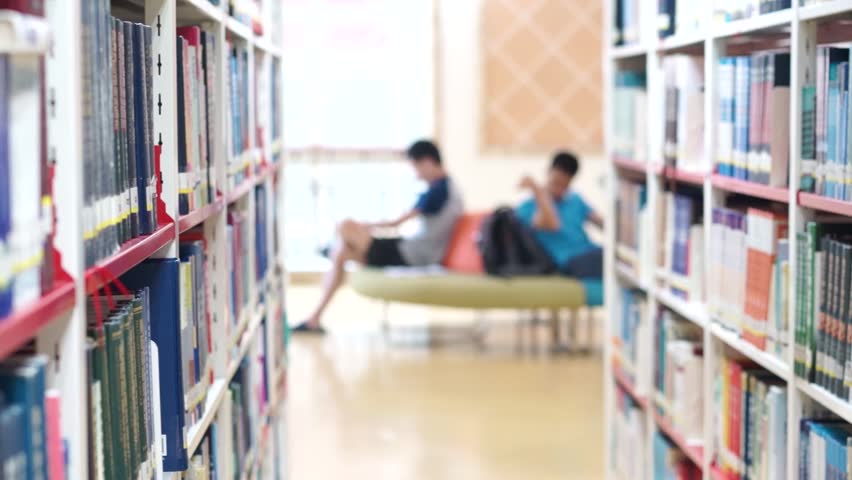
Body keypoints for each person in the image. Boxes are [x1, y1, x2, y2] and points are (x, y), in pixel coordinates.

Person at [295, 139, 464, 333]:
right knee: (340, 253)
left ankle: (328, 250)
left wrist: (364, 227)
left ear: (427, 161)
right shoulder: (446, 188)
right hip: (410, 249)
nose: (416, 175)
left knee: (345, 226)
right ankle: (314, 319)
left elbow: (397, 223)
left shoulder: (440, 190)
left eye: (416, 167)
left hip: (413, 255)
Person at [516, 151, 604, 278]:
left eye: (564, 185)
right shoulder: (528, 207)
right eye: (555, 183)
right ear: (547, 172)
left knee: (618, 257)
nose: (559, 190)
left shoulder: (575, 199)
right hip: (568, 262)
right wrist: (537, 190)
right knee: (609, 260)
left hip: (591, 252)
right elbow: (552, 224)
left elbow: (602, 223)